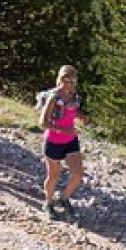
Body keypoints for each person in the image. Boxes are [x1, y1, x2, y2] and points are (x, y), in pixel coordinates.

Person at [36, 65, 84, 219]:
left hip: (70, 140)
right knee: (53, 176)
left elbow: (72, 111)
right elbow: (42, 123)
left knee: (78, 174)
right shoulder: (54, 97)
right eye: (65, 78)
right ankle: (48, 203)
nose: (68, 82)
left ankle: (63, 197)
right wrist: (63, 130)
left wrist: (80, 116)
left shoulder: (74, 96)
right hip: (53, 141)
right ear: (60, 79)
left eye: (72, 79)